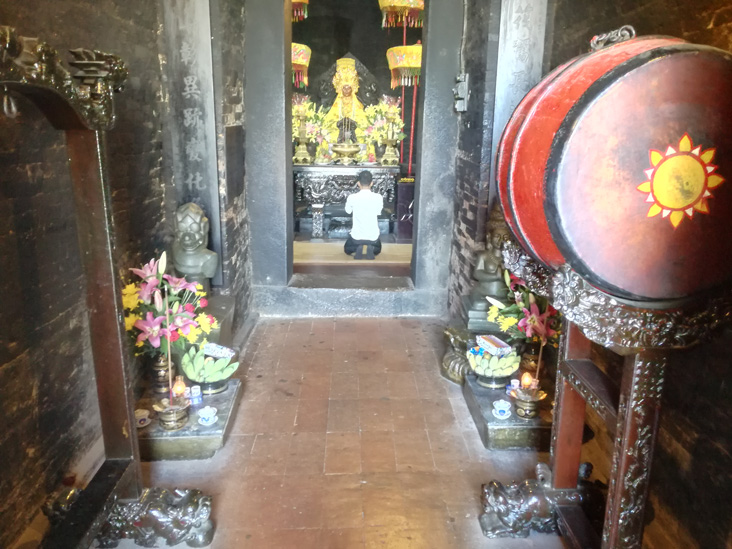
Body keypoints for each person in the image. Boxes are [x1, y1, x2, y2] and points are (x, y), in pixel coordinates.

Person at [324, 58, 367, 144]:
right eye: (344, 88)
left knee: (362, 135)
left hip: (354, 129)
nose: (346, 90)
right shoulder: (338, 102)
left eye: (349, 88)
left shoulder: (356, 102)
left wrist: (354, 125)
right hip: (339, 129)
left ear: (353, 88)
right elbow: (330, 120)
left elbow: (362, 120)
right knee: (331, 136)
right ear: (340, 88)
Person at [344, 171, 383, 258]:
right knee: (378, 250)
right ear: (372, 183)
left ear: (358, 183)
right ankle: (370, 248)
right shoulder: (378, 197)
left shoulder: (352, 197)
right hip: (373, 238)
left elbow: (348, 211)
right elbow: (378, 212)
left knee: (347, 249)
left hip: (356, 237)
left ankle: (359, 247)